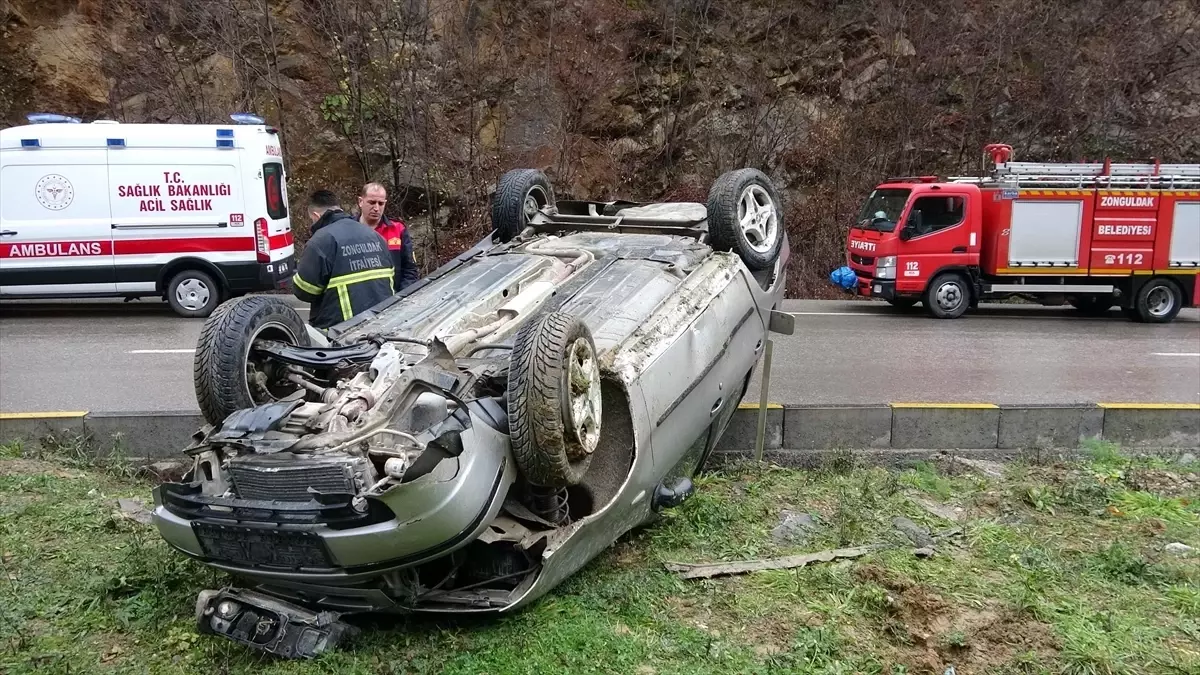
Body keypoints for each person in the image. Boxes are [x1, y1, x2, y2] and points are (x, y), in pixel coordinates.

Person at [292, 189, 395, 330]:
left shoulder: (320, 241)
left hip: (342, 332)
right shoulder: (375, 236)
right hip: (382, 327)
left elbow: (304, 291)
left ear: (316, 216)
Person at [358, 182, 420, 290]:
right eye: (372, 202)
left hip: (394, 296)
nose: (376, 208)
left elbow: (410, 269)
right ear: (360, 202)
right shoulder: (348, 230)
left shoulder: (398, 229)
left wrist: (402, 296)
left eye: (381, 203)